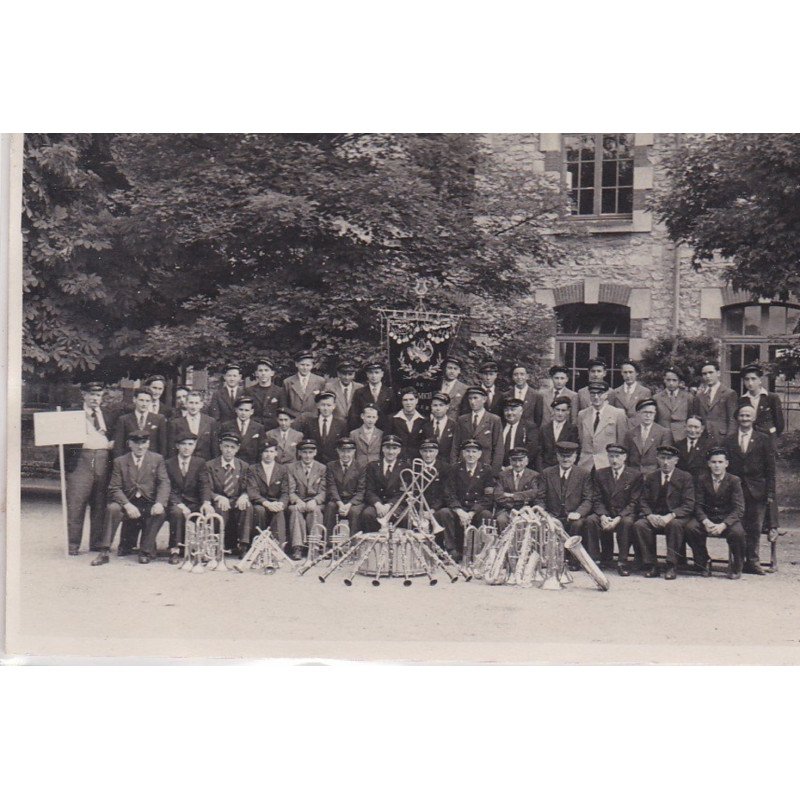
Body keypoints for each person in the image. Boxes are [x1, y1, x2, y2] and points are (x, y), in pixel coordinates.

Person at [91, 429, 170, 566]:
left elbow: (164, 482)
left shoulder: (157, 459)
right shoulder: (120, 461)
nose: (140, 447)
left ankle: (145, 551)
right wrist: (127, 505)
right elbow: (114, 487)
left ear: (148, 443)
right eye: (136, 443)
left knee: (160, 512)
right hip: (128, 502)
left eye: (144, 443)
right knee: (113, 508)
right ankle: (104, 551)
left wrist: (159, 503)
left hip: (148, 502)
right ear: (129, 444)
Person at [63, 381, 119, 555]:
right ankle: (73, 545)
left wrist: (113, 444)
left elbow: (116, 436)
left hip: (103, 459)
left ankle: (96, 543)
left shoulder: (109, 415)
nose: (95, 398)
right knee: (76, 504)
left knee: (100, 503)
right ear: (84, 395)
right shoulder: (72, 414)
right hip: (81, 459)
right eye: (92, 395)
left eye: (99, 395)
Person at [723, 400, 776, 575]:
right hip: (736, 490)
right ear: (737, 418)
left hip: (757, 490)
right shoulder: (729, 440)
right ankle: (737, 561)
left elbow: (770, 468)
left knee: (754, 527)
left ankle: (753, 561)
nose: (744, 418)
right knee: (737, 527)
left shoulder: (763, 439)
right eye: (741, 415)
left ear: (753, 418)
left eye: (748, 415)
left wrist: (770, 492)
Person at [633, 445, 695, 580]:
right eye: (662, 458)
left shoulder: (685, 477)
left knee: (674, 525)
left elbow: (688, 504)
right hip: (655, 515)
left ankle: (671, 565)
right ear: (657, 459)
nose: (666, 462)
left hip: (676, 516)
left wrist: (671, 515)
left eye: (669, 458)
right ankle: (651, 564)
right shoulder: (651, 477)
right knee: (640, 525)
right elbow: (642, 500)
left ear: (676, 460)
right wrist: (649, 515)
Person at [684, 447, 746, 579]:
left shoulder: (734, 480)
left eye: (720, 462)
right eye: (713, 462)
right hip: (708, 517)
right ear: (708, 464)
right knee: (690, 528)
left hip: (727, 519)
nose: (717, 465)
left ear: (726, 464)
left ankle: (737, 564)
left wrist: (723, 525)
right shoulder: (702, 479)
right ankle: (703, 561)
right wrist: (705, 521)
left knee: (738, 533)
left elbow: (739, 508)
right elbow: (698, 505)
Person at [585, 444, 642, 574]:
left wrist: (618, 518)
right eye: (611, 456)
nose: (614, 460)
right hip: (606, 513)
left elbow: (634, 502)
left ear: (624, 457)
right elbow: (597, 498)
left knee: (626, 523)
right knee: (591, 520)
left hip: (624, 514)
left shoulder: (635, 475)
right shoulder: (600, 474)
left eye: (617, 456)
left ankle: (622, 561)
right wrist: (603, 516)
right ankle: (596, 559)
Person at [439, 440, 494, 560]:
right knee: (444, 512)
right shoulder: (454, 468)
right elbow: (449, 493)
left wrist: (472, 512)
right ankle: (451, 550)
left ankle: (480, 552)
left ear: (479, 454)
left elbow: (488, 497)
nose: (470, 455)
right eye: (467, 451)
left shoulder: (486, 470)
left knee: (487, 514)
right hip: (460, 508)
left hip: (475, 510)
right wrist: (459, 511)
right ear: (463, 453)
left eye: (474, 452)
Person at [199, 432, 253, 553]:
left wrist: (244, 496)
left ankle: (243, 545)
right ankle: (218, 545)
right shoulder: (210, 465)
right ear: (221, 447)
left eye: (232, 447)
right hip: (220, 500)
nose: (229, 450)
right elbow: (206, 487)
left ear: (237, 449)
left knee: (247, 507)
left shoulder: (243, 466)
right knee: (220, 507)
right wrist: (218, 497)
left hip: (236, 500)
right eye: (226, 446)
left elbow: (248, 486)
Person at [540, 441, 594, 562]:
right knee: (546, 523)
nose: (566, 459)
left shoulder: (583, 474)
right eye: (562, 456)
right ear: (557, 456)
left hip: (573, 515)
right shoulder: (547, 473)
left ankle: (573, 559)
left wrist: (578, 513)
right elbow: (540, 497)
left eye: (569, 456)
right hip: (552, 514)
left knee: (577, 524)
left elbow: (588, 499)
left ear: (575, 457)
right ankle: (552, 559)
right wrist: (545, 514)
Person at [164, 432, 206, 565]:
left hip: (194, 502)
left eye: (190, 444)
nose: (187, 448)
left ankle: (202, 550)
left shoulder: (200, 462)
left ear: (194, 446)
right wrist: (180, 504)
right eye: (183, 444)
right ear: (177, 446)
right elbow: (166, 488)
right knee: (177, 513)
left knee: (208, 512)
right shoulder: (168, 463)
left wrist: (206, 502)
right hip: (175, 502)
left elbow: (204, 484)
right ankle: (175, 550)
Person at [286, 439, 327, 559]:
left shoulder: (322, 468)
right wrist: (297, 500)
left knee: (315, 511)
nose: (307, 456)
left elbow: (324, 490)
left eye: (310, 452)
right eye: (304, 452)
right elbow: (290, 489)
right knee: (295, 510)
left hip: (315, 502)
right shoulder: (291, 467)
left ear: (315, 453)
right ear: (299, 453)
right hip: (298, 500)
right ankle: (297, 547)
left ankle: (315, 546)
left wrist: (315, 501)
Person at [246, 437, 289, 548]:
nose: (268, 454)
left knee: (279, 512)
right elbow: (253, 492)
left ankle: (278, 548)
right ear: (261, 453)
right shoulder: (253, 469)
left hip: (276, 503)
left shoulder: (283, 469)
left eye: (271, 451)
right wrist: (267, 503)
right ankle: (258, 546)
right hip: (261, 503)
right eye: (265, 451)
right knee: (258, 510)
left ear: (276, 453)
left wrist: (281, 504)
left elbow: (285, 492)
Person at [361, 434, 409, 533]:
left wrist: (389, 506)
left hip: (396, 504)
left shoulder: (405, 467)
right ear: (383, 449)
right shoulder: (372, 466)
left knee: (404, 517)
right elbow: (369, 490)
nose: (391, 452)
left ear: (399, 450)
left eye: (394, 448)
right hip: (378, 503)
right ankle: (371, 545)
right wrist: (378, 504)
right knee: (367, 514)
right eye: (387, 448)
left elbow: (403, 493)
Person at [451, 386, 503, 475]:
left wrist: (494, 472)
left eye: (475, 398)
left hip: (485, 466)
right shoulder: (462, 419)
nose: (472, 402)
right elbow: (455, 445)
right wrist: (454, 466)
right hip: (464, 466)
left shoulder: (494, 420)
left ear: (484, 399)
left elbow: (498, 448)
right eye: (470, 398)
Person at [577, 381, 627, 471]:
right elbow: (581, 439)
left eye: (600, 393)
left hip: (607, 464)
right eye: (593, 394)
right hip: (586, 464)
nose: (596, 397)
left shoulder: (618, 413)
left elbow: (621, 441)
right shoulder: (582, 414)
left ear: (606, 394)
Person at [493, 447, 543, 532]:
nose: (517, 464)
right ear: (510, 461)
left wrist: (513, 495)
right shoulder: (502, 475)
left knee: (531, 522)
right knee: (501, 520)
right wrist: (519, 500)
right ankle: (504, 544)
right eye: (514, 460)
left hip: (526, 510)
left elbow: (534, 493)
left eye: (520, 460)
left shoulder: (534, 475)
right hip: (506, 509)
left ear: (526, 461)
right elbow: (498, 495)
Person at [323, 436, 365, 536]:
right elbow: (331, 487)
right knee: (330, 507)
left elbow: (361, 491)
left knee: (355, 512)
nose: (345, 455)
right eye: (342, 451)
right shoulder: (331, 466)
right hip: (337, 500)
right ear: (337, 451)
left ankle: (354, 544)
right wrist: (340, 504)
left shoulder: (361, 466)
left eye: (348, 451)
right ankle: (328, 543)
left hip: (354, 502)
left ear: (354, 451)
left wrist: (349, 505)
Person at [623, 398, 674, 474]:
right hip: (634, 475)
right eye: (645, 412)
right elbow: (625, 458)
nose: (648, 415)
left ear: (655, 413)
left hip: (654, 476)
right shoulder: (630, 434)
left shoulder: (664, 433)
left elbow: (664, 459)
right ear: (638, 413)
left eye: (651, 413)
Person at [296, 390, 347, 464]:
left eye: (329, 405)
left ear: (334, 406)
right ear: (318, 406)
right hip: (314, 463)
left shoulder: (341, 424)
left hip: (334, 463)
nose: (326, 408)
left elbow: (343, 446)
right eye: (323, 405)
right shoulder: (309, 423)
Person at [114, 387, 167, 457]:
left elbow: (162, 445)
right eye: (141, 400)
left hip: (151, 461)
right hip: (129, 461)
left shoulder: (159, 419)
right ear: (134, 400)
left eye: (147, 401)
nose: (144, 404)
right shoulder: (124, 419)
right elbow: (119, 446)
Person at [168, 390, 219, 461]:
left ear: (201, 404)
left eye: (196, 403)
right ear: (186, 404)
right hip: (184, 462)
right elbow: (172, 449)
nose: (193, 406)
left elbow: (214, 447)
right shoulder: (176, 423)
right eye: (191, 403)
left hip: (205, 463)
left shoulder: (210, 422)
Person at [694, 360, 737, 442]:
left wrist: (729, 440)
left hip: (721, 438)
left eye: (711, 372)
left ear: (718, 373)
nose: (708, 376)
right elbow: (697, 418)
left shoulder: (729, 393)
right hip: (703, 438)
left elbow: (732, 420)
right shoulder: (699, 396)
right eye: (704, 374)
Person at [740, 362, 784, 439]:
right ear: (743, 381)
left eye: (753, 379)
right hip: (749, 439)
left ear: (760, 380)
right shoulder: (742, 400)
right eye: (747, 379)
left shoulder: (772, 397)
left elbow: (779, 422)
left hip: (768, 438)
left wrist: (773, 436)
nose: (750, 383)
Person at [349, 360, 395, 431]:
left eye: (377, 372)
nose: (374, 376)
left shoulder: (390, 392)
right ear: (367, 374)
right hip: (365, 431)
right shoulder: (359, 392)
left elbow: (393, 414)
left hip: (385, 430)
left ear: (382, 374)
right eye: (371, 373)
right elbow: (354, 415)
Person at [218, 396, 265, 465]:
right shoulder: (226, 426)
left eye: (246, 410)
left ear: (252, 411)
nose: (243, 413)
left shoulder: (258, 428)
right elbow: (220, 447)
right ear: (236, 410)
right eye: (241, 409)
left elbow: (261, 450)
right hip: (232, 464)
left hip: (251, 465)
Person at [282, 351, 326, 421]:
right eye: (302, 365)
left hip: (313, 420)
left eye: (308, 365)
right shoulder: (288, 382)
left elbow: (323, 403)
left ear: (312, 366)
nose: (305, 368)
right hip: (294, 420)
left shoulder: (320, 381)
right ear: (296, 364)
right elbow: (284, 404)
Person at [500, 397, 542, 470]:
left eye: (513, 410)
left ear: (521, 411)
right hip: (500, 468)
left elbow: (531, 451)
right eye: (506, 410)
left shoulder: (530, 427)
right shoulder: (499, 426)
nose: (509, 413)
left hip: (522, 468)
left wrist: (514, 466)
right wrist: (499, 467)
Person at [653, 367, 694, 441]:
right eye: (668, 380)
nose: (671, 383)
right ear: (664, 380)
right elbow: (655, 419)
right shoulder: (656, 398)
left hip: (682, 436)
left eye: (674, 380)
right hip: (663, 435)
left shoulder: (688, 397)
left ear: (679, 382)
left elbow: (690, 416)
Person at [609, 359, 651, 428]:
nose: (628, 375)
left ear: (636, 373)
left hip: (638, 429)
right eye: (625, 372)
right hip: (620, 428)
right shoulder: (615, 392)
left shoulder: (645, 392)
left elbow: (647, 413)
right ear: (621, 373)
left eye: (631, 372)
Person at [540, 396, 580, 469]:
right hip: (546, 468)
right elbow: (540, 452)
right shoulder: (544, 429)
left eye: (563, 410)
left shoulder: (572, 429)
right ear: (553, 411)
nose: (560, 413)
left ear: (568, 411)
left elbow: (575, 451)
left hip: (564, 467)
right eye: (557, 410)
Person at [249, 357, 286, 431]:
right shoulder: (249, 391)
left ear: (272, 373)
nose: (263, 373)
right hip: (255, 428)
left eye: (266, 370)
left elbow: (283, 412)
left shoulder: (279, 391)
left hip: (273, 429)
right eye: (260, 370)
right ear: (256, 373)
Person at [391, 386, 426, 459]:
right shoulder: (392, 419)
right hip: (397, 460)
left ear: (416, 400)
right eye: (405, 400)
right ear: (402, 401)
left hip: (417, 461)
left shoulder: (424, 420)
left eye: (411, 399)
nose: (408, 403)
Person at [324, 359, 363, 424]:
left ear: (354, 374)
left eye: (350, 374)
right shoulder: (330, 387)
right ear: (338, 374)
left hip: (355, 425)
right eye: (344, 374)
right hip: (336, 424)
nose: (347, 377)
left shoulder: (359, 387)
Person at [675, 415, 713, 481]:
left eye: (696, 427)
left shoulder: (709, 446)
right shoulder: (678, 445)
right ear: (685, 427)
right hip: (682, 483)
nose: (692, 430)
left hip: (701, 484)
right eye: (690, 427)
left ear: (702, 429)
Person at [421, 392, 456, 462]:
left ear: (447, 406)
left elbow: (456, 449)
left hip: (448, 466)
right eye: (435, 405)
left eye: (441, 405)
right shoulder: (425, 427)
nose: (438, 408)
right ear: (431, 407)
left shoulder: (455, 426)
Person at [439, 356, 469, 421]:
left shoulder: (464, 389)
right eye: (450, 368)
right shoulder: (436, 384)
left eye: (455, 369)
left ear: (459, 371)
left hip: (453, 426)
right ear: (445, 368)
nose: (452, 371)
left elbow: (465, 414)